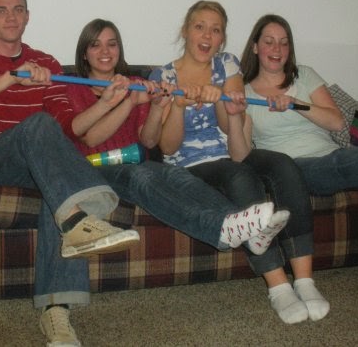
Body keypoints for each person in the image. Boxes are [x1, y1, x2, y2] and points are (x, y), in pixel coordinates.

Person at [0, 0, 143, 347]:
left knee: (59, 196)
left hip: (33, 165)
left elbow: (69, 128)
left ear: (28, 16)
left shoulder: (46, 64)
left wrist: (107, 102)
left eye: (18, 9)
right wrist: (11, 77)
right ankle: (82, 218)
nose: (11, 17)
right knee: (38, 126)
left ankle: (56, 314)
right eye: (1, 10)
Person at [62, 18, 290, 342]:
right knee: (142, 174)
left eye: (112, 43)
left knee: (172, 174)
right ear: (84, 53)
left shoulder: (137, 82)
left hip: (136, 163)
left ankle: (243, 227)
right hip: (95, 169)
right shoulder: (73, 87)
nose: (105, 51)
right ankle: (229, 228)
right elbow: (90, 137)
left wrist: (158, 105)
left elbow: (149, 140)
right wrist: (126, 101)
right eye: (95, 44)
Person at [150, 1, 330, 324]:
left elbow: (232, 131)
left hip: (230, 152)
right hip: (189, 164)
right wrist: (178, 104)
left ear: (222, 38)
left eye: (216, 30)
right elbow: (166, 146)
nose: (207, 35)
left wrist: (221, 98)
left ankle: (305, 281)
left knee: (284, 166)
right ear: (186, 31)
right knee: (239, 178)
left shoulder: (228, 65)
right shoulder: (165, 75)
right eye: (200, 27)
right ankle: (278, 286)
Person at [239, 13, 358, 304]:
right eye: (269, 41)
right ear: (255, 47)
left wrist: (297, 104)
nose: (277, 49)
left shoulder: (305, 75)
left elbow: (336, 122)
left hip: (333, 155)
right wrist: (235, 116)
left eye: (284, 42)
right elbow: (244, 150)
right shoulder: (244, 93)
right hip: (293, 169)